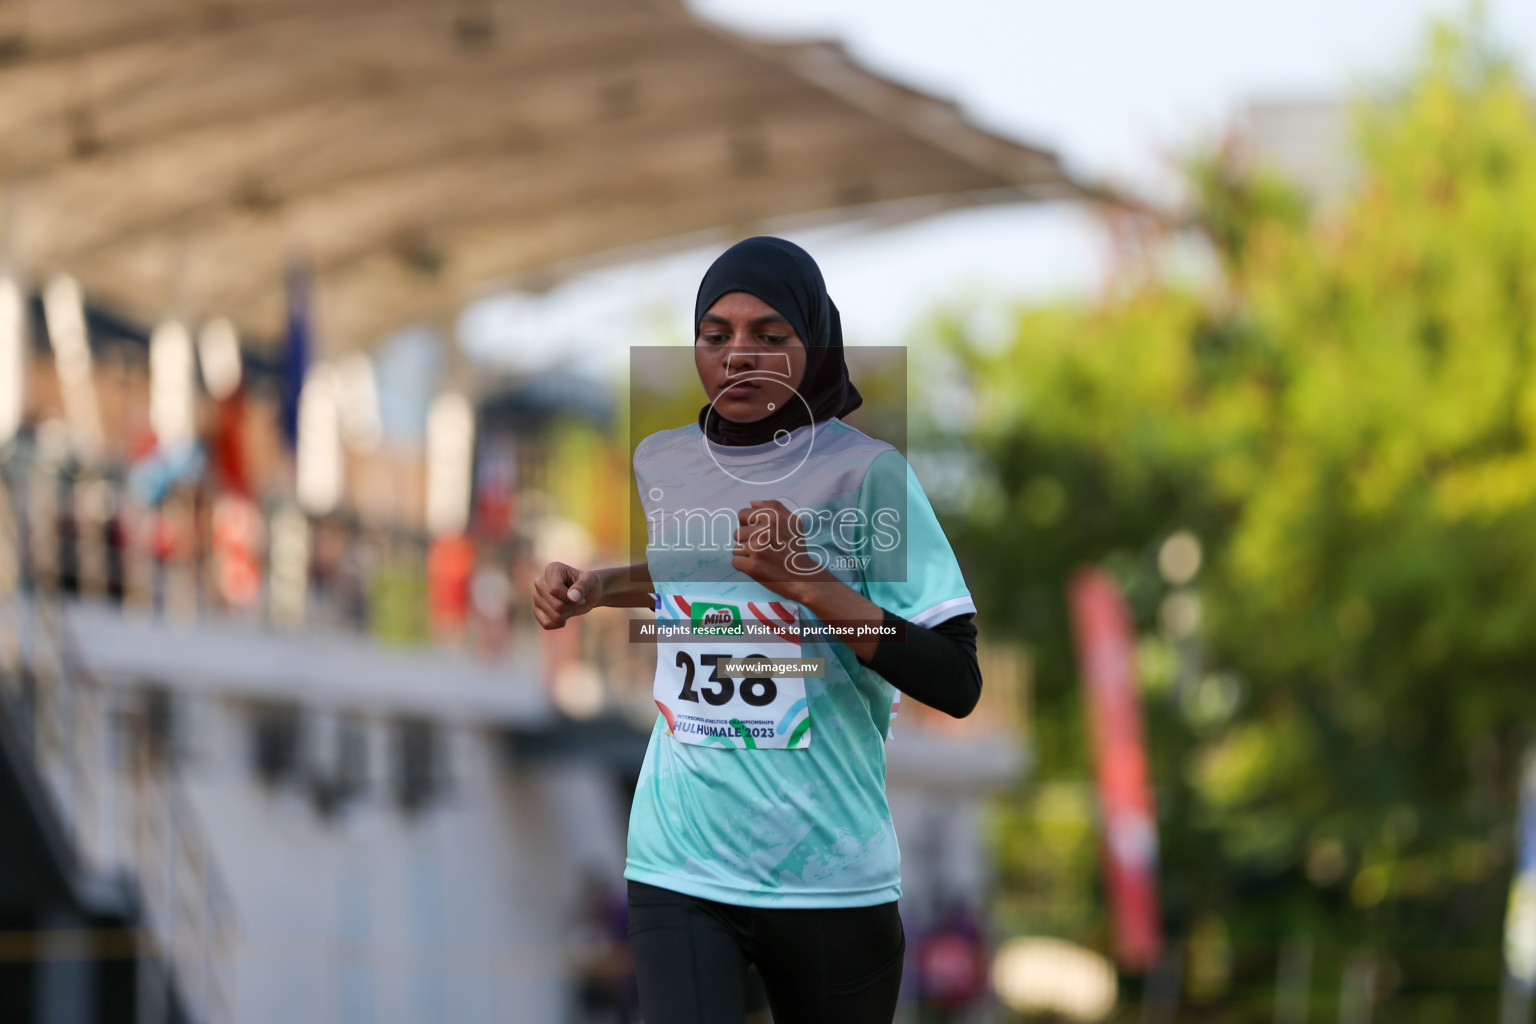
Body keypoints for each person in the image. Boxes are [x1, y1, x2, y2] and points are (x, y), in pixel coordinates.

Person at [532, 237, 982, 1024]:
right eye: (716, 335)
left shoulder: (869, 476)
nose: (738, 354)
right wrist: (598, 587)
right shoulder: (663, 460)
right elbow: (700, 576)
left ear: (811, 345)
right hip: (681, 858)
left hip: (829, 871)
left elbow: (957, 678)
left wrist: (808, 581)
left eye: (769, 336)